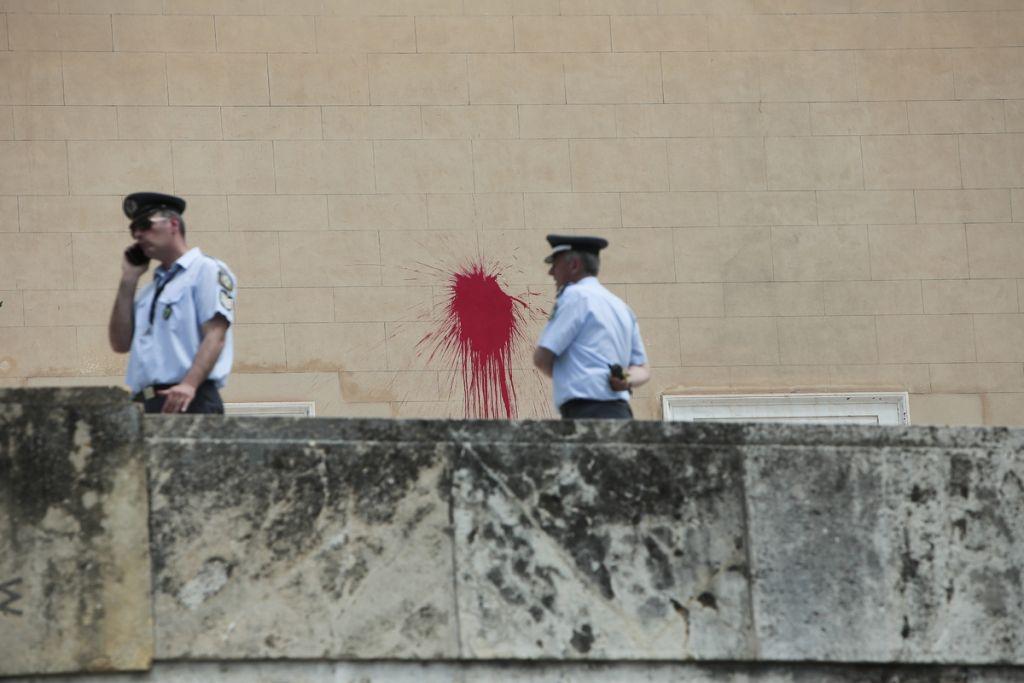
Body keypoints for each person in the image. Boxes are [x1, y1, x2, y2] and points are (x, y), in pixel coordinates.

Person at [108, 192, 236, 414]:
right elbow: (120, 344)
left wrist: (189, 384)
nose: (137, 234)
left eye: (145, 225)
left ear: (173, 224)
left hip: (188, 398)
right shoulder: (149, 292)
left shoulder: (206, 270)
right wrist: (128, 279)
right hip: (145, 402)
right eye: (133, 229)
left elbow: (215, 335)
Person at [533, 234, 650, 419]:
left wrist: (568, 375)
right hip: (621, 412)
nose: (551, 272)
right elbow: (642, 370)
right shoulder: (621, 307)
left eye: (555, 264)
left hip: (585, 411)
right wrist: (624, 379)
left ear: (574, 265)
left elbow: (542, 357)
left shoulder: (575, 296)